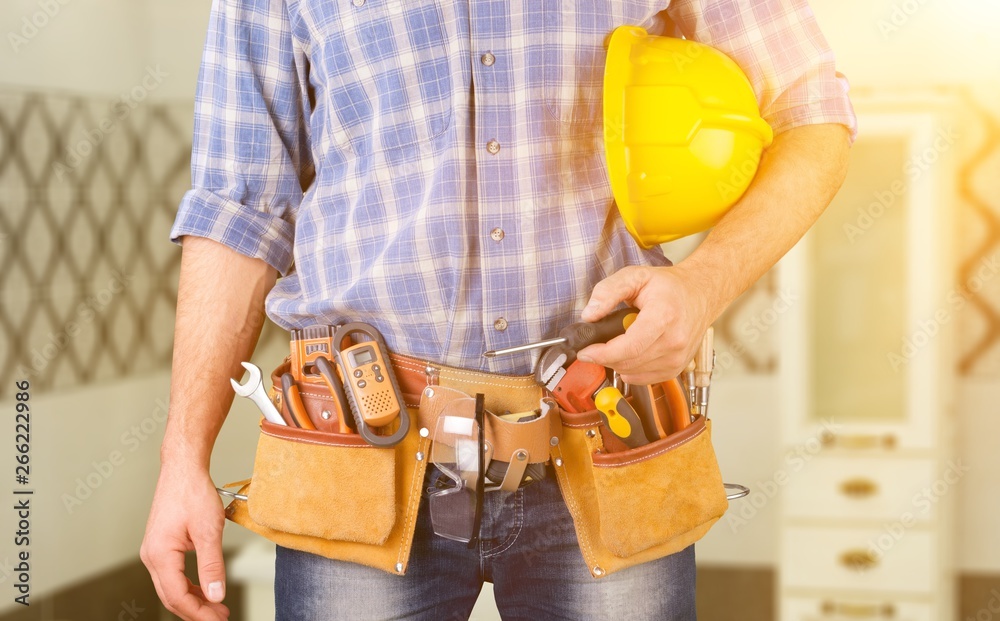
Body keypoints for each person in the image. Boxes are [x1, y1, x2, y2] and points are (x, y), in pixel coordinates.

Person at [140, 0, 856, 619]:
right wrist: (182, 460)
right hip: (360, 451)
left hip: (603, 439)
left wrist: (703, 285)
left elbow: (810, 111)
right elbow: (239, 208)